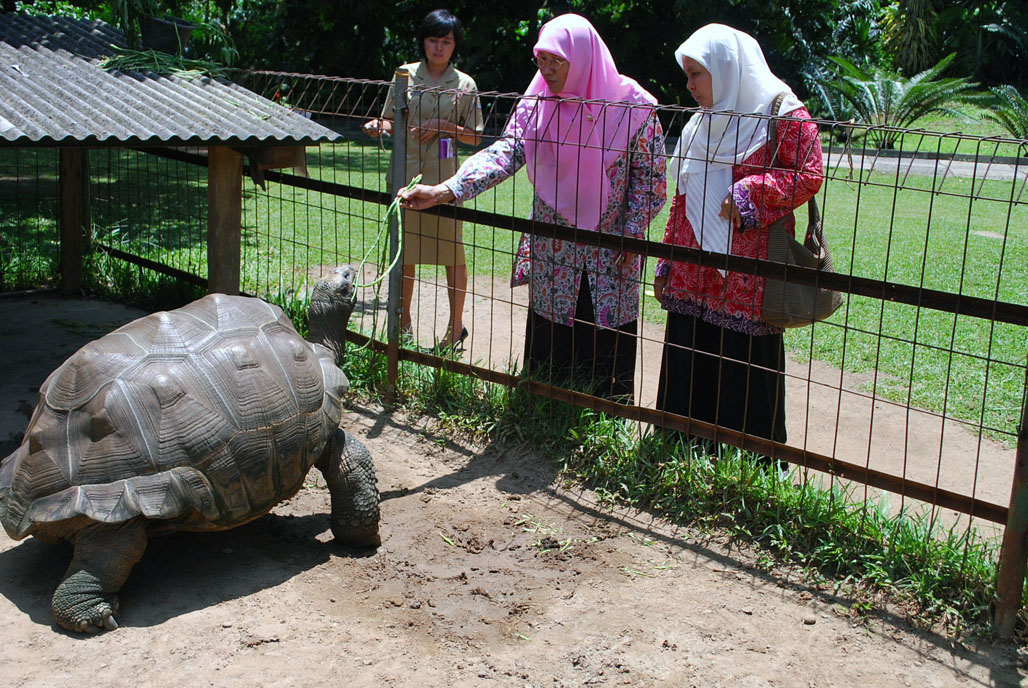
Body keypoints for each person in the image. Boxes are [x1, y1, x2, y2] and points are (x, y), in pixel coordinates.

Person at [399, 13, 666, 401]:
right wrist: (447, 190)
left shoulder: (632, 107)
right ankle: (543, 411)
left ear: (583, 57)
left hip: (611, 252)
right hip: (553, 249)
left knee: (603, 339)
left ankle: (604, 418)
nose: (547, 70)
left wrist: (631, 231)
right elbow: (505, 152)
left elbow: (650, 179)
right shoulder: (538, 102)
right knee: (551, 338)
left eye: (557, 61)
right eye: (541, 60)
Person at [652, 24, 824, 461]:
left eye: (696, 74)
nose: (689, 86)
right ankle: (682, 449)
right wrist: (668, 260)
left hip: (749, 277)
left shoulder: (782, 113)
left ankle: (749, 461)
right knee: (692, 351)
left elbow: (810, 173)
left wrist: (752, 191)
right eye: (688, 75)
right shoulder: (699, 124)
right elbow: (682, 198)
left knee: (744, 363)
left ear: (726, 69)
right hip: (693, 273)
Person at [364, 9, 484, 349]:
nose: (439, 47)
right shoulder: (404, 76)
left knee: (452, 253)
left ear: (455, 45)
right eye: (433, 40)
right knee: (405, 253)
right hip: (404, 177)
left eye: (446, 41)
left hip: (444, 183)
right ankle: (403, 326)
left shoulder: (464, 85)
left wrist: (443, 126)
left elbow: (476, 136)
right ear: (423, 42)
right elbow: (391, 121)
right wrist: (379, 126)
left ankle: (455, 328)